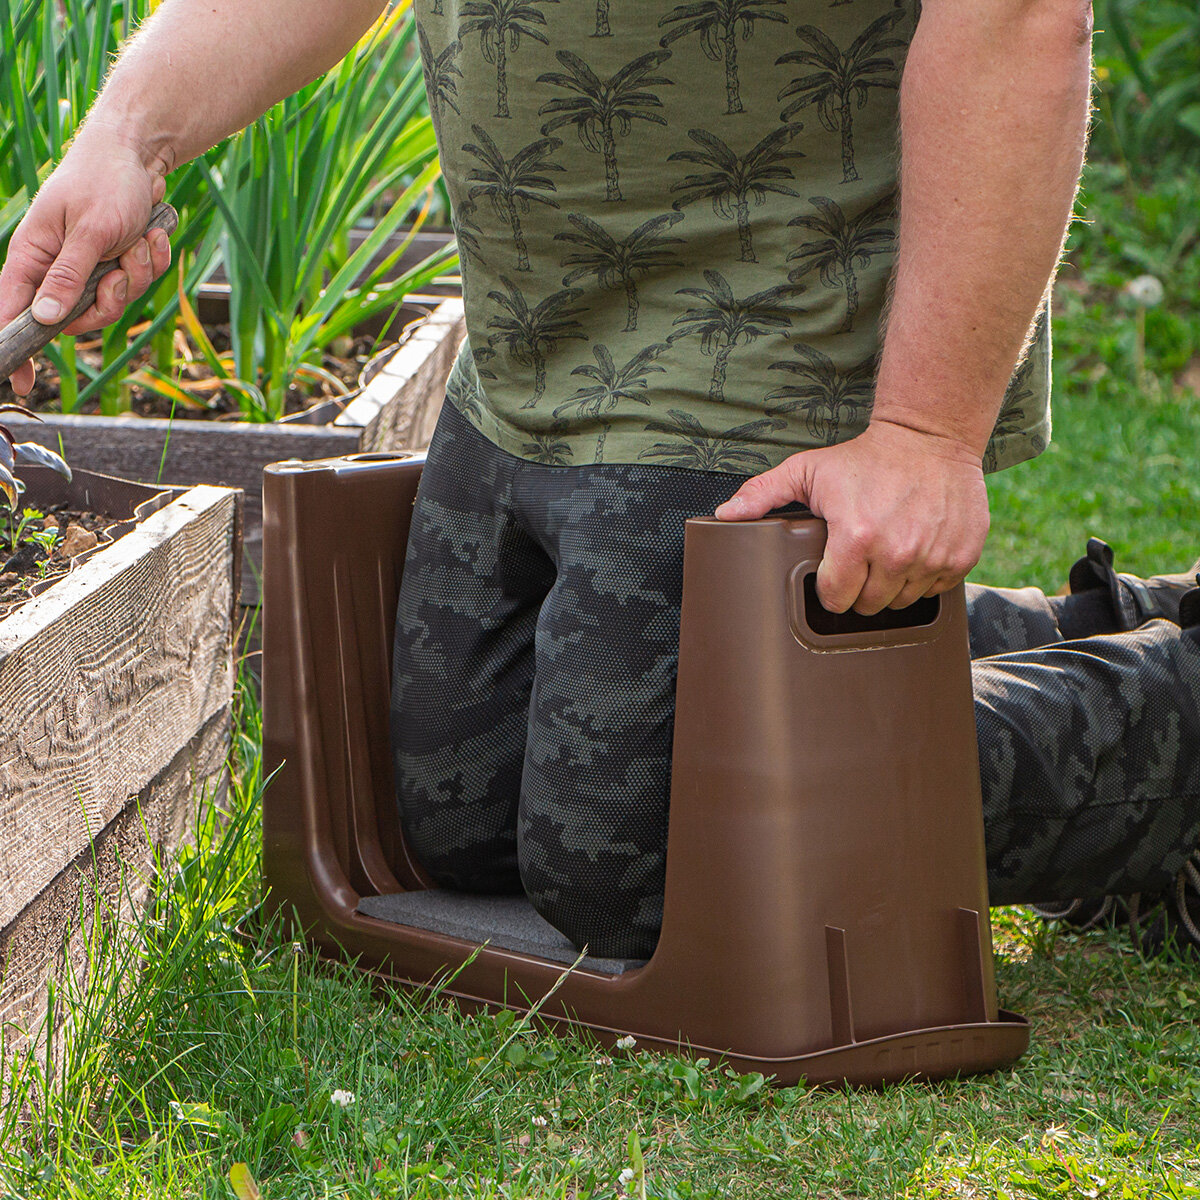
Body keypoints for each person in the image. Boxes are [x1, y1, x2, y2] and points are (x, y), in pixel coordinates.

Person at [3, 0, 1196, 959]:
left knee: (644, 858)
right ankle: (1113, 628)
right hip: (531, 352)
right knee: (461, 818)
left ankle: (1175, 713)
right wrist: (129, 134)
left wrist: (926, 434)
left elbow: (1019, 14)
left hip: (773, 338)